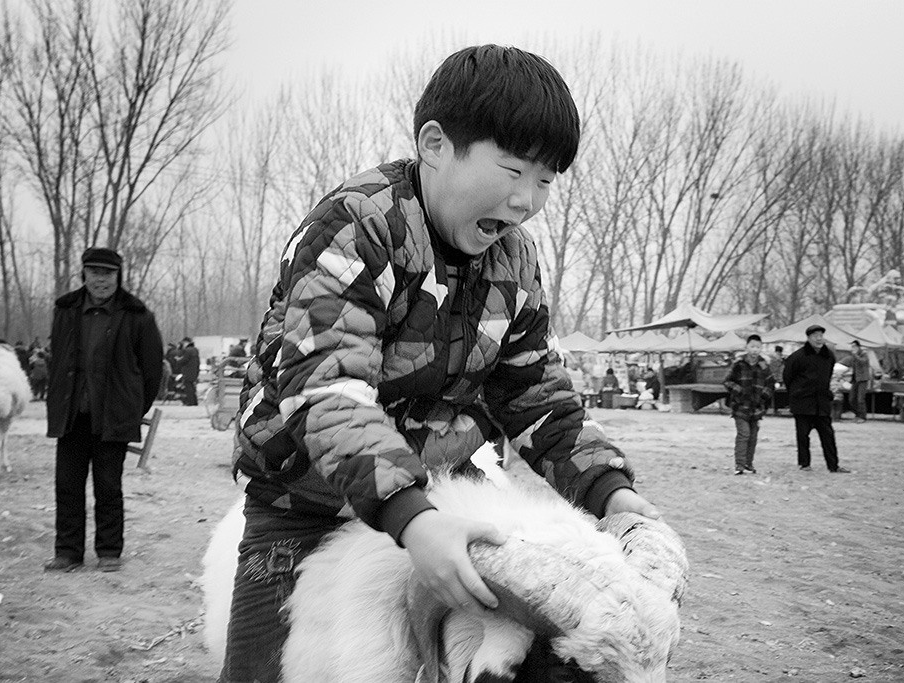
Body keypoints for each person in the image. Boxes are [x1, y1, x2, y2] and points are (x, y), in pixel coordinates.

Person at [218, 44, 661, 683]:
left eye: (545, 180)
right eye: (511, 171)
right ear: (433, 144)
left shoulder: (516, 261)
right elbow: (328, 386)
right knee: (264, 669)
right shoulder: (357, 226)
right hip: (304, 495)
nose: (527, 200)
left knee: (493, 646)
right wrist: (412, 520)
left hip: (442, 490)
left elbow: (535, 390)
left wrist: (608, 489)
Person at [44, 247, 164, 572]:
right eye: (94, 272)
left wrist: (132, 408)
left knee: (108, 487)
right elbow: (57, 362)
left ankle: (109, 551)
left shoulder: (138, 315)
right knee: (67, 485)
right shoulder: (65, 310)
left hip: (113, 418)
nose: (101, 279)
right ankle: (68, 553)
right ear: (83, 274)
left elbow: (152, 371)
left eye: (108, 273)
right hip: (72, 416)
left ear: (118, 276)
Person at [782, 324, 850, 473]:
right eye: (815, 336)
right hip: (803, 402)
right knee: (803, 435)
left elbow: (829, 376)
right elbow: (787, 377)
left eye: (821, 335)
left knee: (828, 435)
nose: (819, 339)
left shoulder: (828, 356)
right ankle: (804, 464)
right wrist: (796, 393)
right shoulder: (797, 357)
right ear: (808, 338)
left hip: (822, 402)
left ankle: (833, 465)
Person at [723, 334, 773, 475]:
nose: (754, 350)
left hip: (756, 408)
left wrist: (764, 395)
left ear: (761, 348)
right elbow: (727, 381)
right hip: (740, 406)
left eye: (757, 347)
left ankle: (748, 464)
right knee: (744, 434)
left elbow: (770, 383)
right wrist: (738, 391)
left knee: (753, 436)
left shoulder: (764, 365)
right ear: (746, 347)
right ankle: (739, 465)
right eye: (752, 346)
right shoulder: (738, 364)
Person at [847, 340, 871, 423]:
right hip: (855, 379)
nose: (852, 348)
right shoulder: (854, 355)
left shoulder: (864, 353)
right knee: (851, 399)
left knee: (860, 399)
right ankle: (857, 414)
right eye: (852, 346)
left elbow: (863, 362)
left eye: (854, 346)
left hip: (863, 379)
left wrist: (855, 355)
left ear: (858, 346)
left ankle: (862, 417)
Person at [178, 337, 200, 406]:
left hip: (188, 371)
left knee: (188, 387)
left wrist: (178, 360)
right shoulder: (195, 350)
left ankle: (191, 402)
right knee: (192, 387)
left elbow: (185, 360)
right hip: (194, 371)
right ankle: (194, 401)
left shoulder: (188, 350)